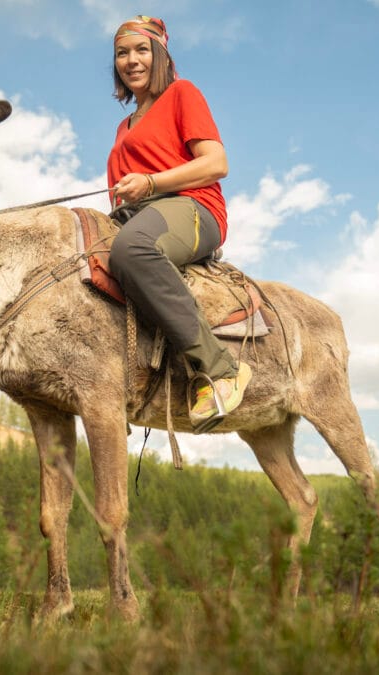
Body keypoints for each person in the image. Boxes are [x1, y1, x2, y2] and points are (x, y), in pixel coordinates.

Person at [106, 15, 251, 433]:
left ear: (161, 54)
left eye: (141, 50)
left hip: (193, 206)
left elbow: (216, 164)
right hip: (143, 216)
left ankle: (222, 371)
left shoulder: (181, 94)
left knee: (131, 249)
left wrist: (151, 182)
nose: (131, 60)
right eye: (121, 53)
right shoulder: (123, 126)